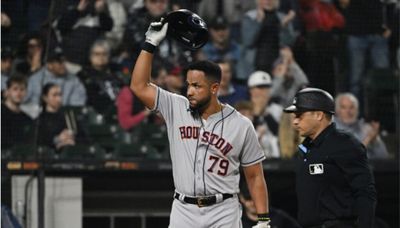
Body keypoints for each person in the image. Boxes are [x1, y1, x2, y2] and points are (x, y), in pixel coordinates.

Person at [130, 21, 271, 228]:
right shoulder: (176, 107)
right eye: (188, 85)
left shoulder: (241, 125)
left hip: (223, 209)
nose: (189, 91)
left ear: (214, 88)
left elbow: (255, 176)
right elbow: (139, 86)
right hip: (184, 209)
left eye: (197, 86)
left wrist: (264, 219)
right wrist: (150, 43)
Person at [283, 87, 376, 228]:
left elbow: (365, 192)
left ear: (319, 115)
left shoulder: (345, 144)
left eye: (299, 115)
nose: (295, 122)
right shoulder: (306, 147)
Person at [23, 48, 87, 118]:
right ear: (49, 64)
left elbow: (77, 105)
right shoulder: (35, 79)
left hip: (64, 119)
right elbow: (23, 102)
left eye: (64, 61)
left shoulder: (74, 80)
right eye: (59, 62)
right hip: (38, 118)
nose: (63, 64)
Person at [334, 93, 389, 159]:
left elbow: (384, 156)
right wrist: (368, 138)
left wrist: (375, 139)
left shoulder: (364, 127)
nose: (348, 111)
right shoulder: (331, 128)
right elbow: (349, 157)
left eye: (351, 107)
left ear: (357, 110)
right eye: (344, 107)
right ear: (337, 110)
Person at [37, 83, 76, 150]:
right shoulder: (40, 120)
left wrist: (71, 138)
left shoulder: (68, 117)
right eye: (54, 95)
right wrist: (58, 139)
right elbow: (39, 140)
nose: (59, 99)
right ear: (45, 98)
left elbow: (84, 137)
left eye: (60, 95)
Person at [1, 76, 33, 150]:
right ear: (7, 91)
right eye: (15, 89)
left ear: (26, 93)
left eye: (22, 89)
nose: (19, 93)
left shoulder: (27, 119)